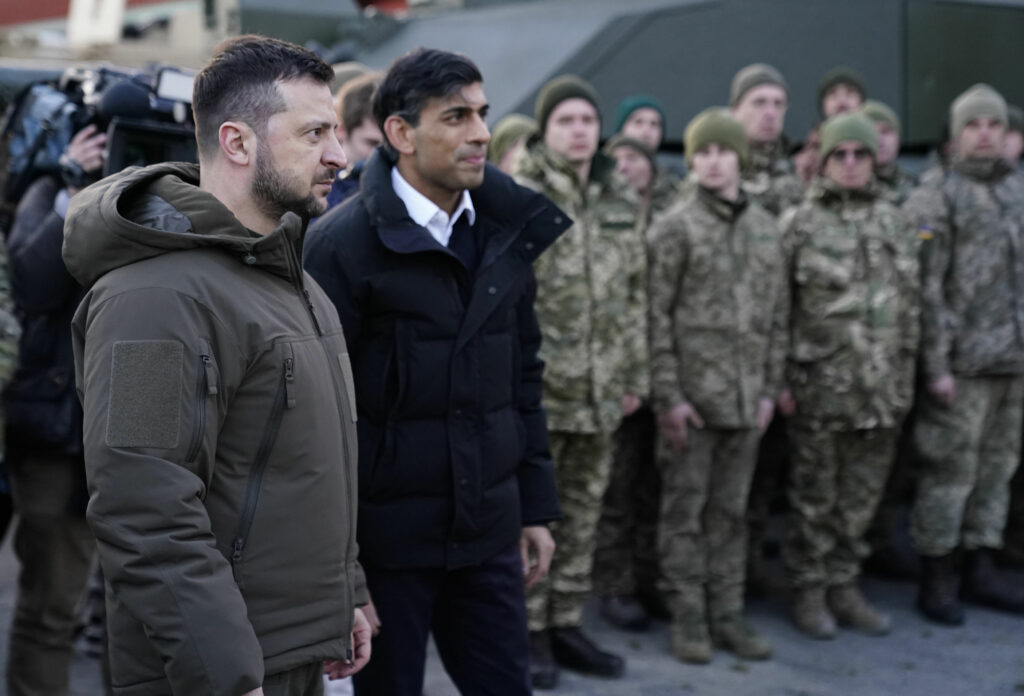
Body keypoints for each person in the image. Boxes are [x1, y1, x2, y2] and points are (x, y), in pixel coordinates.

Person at [63, 35, 370, 695]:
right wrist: (225, 675)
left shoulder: (293, 282)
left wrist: (345, 593)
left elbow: (307, 466)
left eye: (338, 132)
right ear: (237, 143)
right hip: (217, 671)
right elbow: (143, 508)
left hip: (297, 652)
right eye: (315, 132)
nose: (340, 156)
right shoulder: (152, 300)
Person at [304, 47, 563, 696]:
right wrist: (341, 574)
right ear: (400, 133)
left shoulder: (506, 231)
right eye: (455, 116)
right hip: (385, 553)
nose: (480, 133)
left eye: (482, 114)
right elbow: (316, 426)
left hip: (488, 537)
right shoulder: (340, 248)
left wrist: (532, 507)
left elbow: (522, 378)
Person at [513, 74, 646, 688]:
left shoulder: (620, 195)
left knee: (585, 514)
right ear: (546, 129)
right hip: (543, 391)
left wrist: (632, 373)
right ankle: (531, 628)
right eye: (565, 120)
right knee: (534, 517)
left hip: (602, 389)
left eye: (587, 120)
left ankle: (567, 620)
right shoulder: (523, 194)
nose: (578, 130)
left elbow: (634, 293)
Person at [648, 108, 786, 664]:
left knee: (732, 515)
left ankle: (728, 614)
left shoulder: (764, 227)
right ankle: (689, 619)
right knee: (685, 516)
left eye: (723, 151)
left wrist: (771, 389)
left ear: (740, 158)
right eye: (701, 152)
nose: (711, 162)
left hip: (746, 402)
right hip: (692, 405)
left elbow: (778, 316)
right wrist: (669, 398)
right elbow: (655, 318)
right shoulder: (674, 227)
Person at [781, 112, 919, 640]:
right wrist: (781, 382)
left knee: (860, 502)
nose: (852, 163)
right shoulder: (800, 224)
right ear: (824, 160)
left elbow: (910, 311)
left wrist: (905, 377)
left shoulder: (895, 222)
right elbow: (778, 312)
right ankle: (810, 590)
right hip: (821, 390)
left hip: (881, 390)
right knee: (815, 499)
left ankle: (844, 584)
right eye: (841, 154)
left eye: (860, 154)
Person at [905, 84, 1024, 625]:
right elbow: (924, 289)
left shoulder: (1017, 191)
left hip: (1012, 363)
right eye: (973, 124)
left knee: (997, 470)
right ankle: (937, 575)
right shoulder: (937, 195)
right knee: (949, 473)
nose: (984, 134)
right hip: (962, 368)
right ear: (956, 134)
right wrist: (936, 366)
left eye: (993, 125)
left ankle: (981, 563)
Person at [4, 124, 98, 696]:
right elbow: (33, 281)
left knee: (56, 607)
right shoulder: (47, 188)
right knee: (46, 608)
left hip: (95, 435)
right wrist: (70, 185)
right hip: (41, 429)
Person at [591, 133, 665, 633]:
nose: (627, 166)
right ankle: (615, 583)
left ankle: (648, 575)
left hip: (667, 370)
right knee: (614, 489)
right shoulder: (600, 219)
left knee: (651, 488)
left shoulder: (668, 218)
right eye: (618, 158)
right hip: (614, 373)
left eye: (637, 158)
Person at [326, 71, 383, 210]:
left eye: (391, 145)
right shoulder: (321, 196)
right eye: (372, 144)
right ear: (341, 130)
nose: (384, 153)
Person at [614, 95, 681, 210]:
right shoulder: (599, 174)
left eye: (654, 124)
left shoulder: (672, 184)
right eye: (638, 122)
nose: (646, 131)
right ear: (622, 128)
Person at [860, 99, 918, 206]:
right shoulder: (852, 188)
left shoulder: (915, 185)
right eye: (871, 132)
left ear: (898, 138)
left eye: (885, 132)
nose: (879, 140)